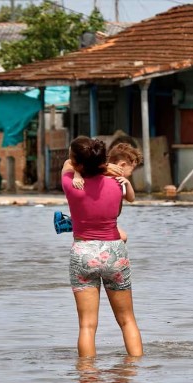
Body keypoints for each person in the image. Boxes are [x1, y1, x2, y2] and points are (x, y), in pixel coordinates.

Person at [61, 136, 143, 358]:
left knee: (87, 325)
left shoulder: (71, 184)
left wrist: (83, 169)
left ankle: (87, 374)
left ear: (78, 164)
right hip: (114, 252)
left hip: (83, 253)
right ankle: (136, 370)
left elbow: (67, 165)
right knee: (127, 321)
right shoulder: (117, 184)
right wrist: (106, 168)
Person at [63, 142, 142, 241]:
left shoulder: (121, 181)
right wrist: (77, 174)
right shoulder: (102, 176)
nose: (131, 174)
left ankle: (72, 221)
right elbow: (76, 164)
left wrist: (128, 184)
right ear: (122, 165)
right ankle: (72, 220)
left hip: (104, 219)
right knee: (123, 237)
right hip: (92, 217)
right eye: (131, 170)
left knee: (123, 237)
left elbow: (131, 198)